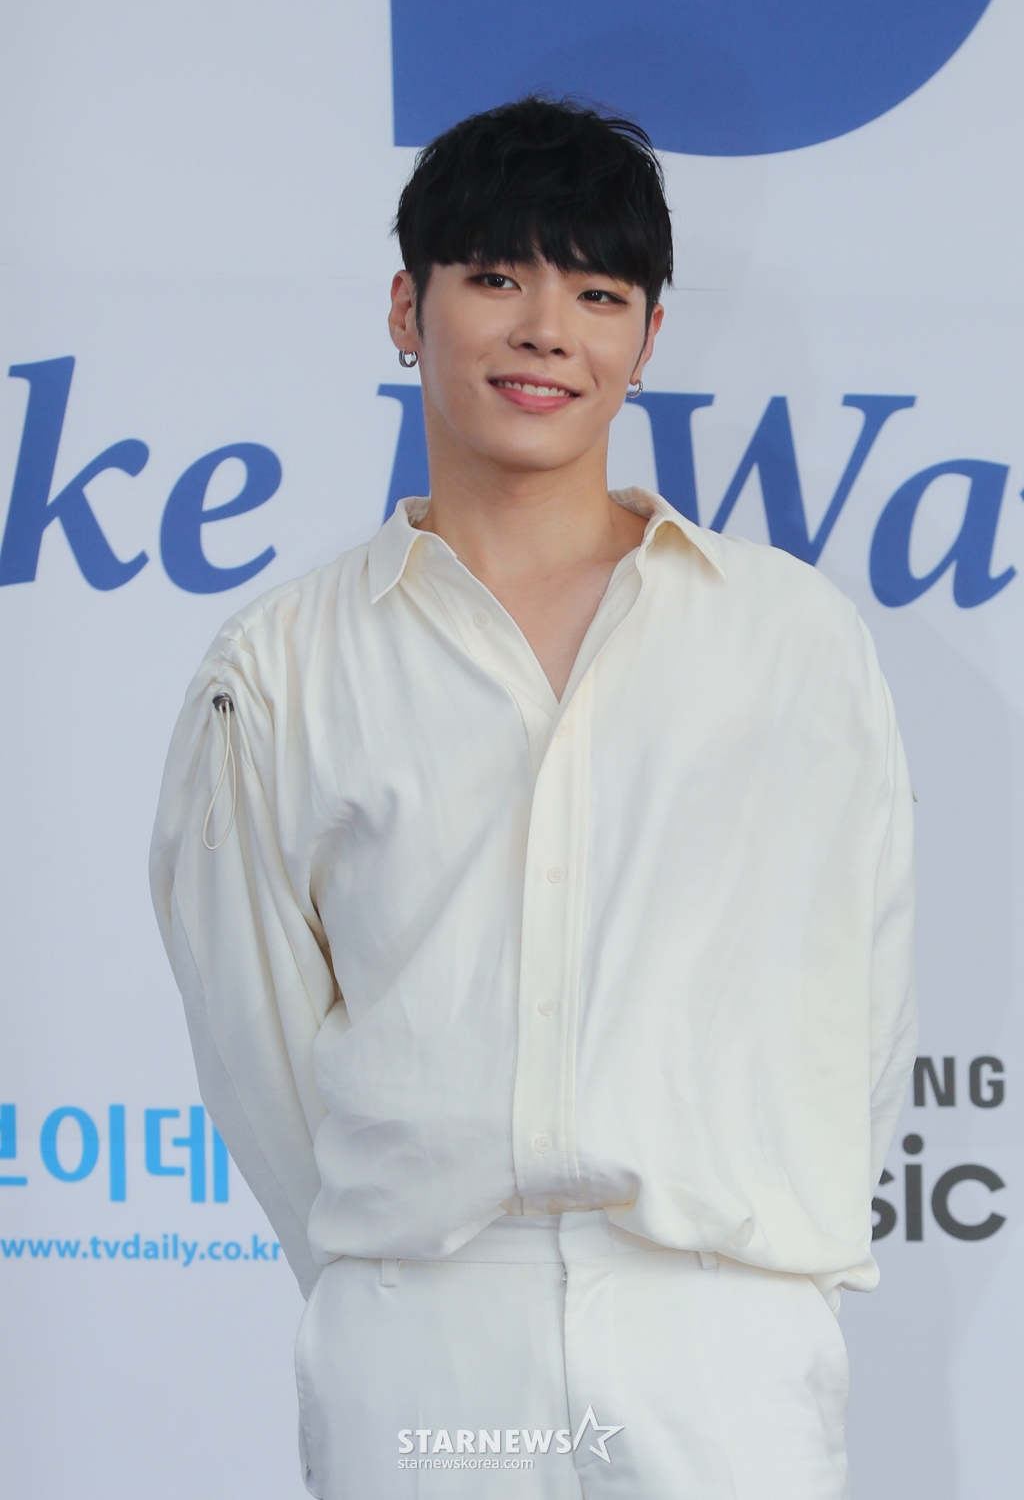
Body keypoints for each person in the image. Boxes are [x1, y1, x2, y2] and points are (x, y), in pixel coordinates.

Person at [150, 97, 916, 1499]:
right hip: (426, 1332)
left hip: (720, 1339)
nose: (547, 330)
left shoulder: (792, 638)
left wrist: (751, 1260)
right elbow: (255, 1044)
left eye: (598, 293)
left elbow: (858, 995)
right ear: (408, 308)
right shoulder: (281, 664)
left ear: (648, 338)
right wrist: (402, 1261)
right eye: (498, 277)